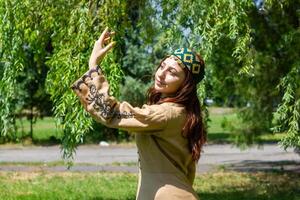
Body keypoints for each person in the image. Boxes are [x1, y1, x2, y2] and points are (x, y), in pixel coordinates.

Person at [71, 27, 206, 200]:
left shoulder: (165, 114)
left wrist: (94, 66)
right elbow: (188, 170)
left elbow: (110, 112)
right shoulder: (184, 113)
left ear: (185, 84)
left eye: (172, 72)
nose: (161, 74)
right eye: (163, 66)